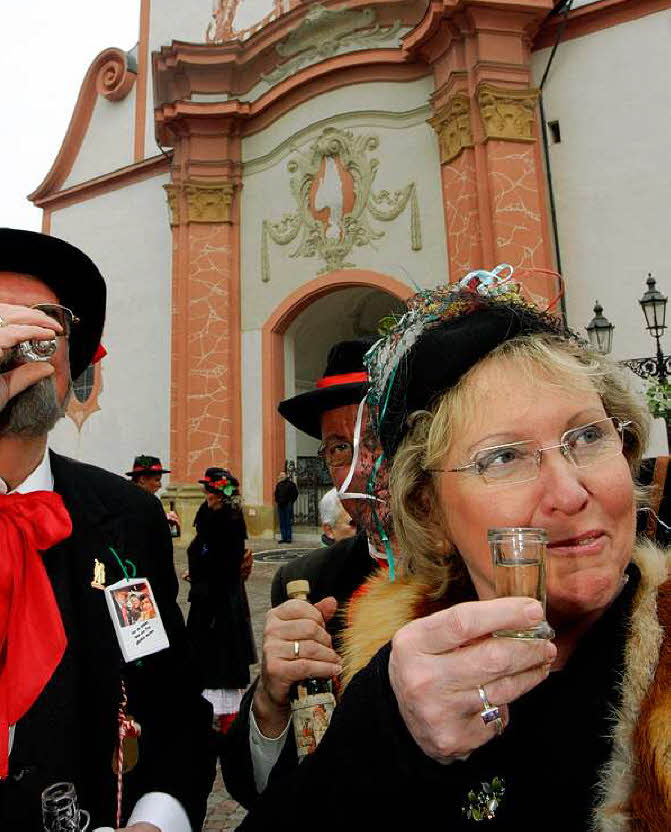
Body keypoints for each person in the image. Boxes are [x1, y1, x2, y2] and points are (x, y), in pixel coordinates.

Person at [237, 271, 671, 830]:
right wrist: (384, 738)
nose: (569, 492)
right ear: (429, 510)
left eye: (587, 437)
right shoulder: (383, 670)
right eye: (503, 457)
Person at [0, 227, 214, 832]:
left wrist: (157, 820)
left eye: (47, 321)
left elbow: (173, 706)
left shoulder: (127, 514)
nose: (22, 339)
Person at [220, 338, 387, 807]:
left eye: (373, 440)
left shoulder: (479, 564)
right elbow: (256, 788)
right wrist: (271, 703)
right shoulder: (306, 583)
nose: (358, 471)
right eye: (338, 448)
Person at [186, 467, 256, 734]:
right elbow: (203, 550)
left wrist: (201, 577)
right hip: (207, 598)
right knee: (206, 658)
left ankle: (225, 720)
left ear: (221, 495)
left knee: (221, 658)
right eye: (207, 490)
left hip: (220, 602)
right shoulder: (206, 515)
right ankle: (209, 714)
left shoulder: (229, 521)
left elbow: (225, 565)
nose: (207, 495)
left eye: (211, 491)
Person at [127, 454, 180, 536]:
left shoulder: (127, 496)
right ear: (143, 479)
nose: (160, 485)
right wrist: (162, 522)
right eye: (157, 480)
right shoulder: (149, 502)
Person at [274, 470, 298, 543]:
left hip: (288, 505)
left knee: (287, 522)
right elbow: (276, 494)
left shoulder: (291, 484)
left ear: (286, 476)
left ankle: (288, 538)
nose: (281, 476)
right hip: (280, 505)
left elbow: (295, 494)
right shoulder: (278, 484)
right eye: (280, 475)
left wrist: (291, 502)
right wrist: (277, 500)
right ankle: (283, 538)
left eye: (283, 475)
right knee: (282, 522)